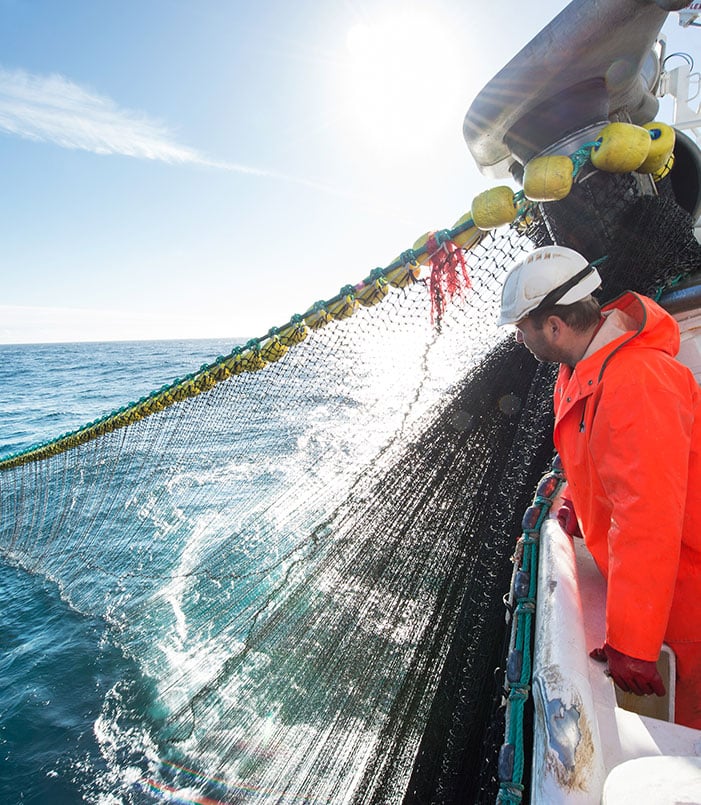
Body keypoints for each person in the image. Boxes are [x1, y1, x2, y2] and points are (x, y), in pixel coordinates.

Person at [499, 244, 701, 730]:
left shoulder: (637, 380)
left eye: (523, 327)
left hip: (688, 595)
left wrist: (633, 642)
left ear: (553, 325)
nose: (521, 340)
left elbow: (647, 515)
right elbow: (599, 461)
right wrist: (581, 508)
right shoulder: (577, 372)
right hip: (658, 591)